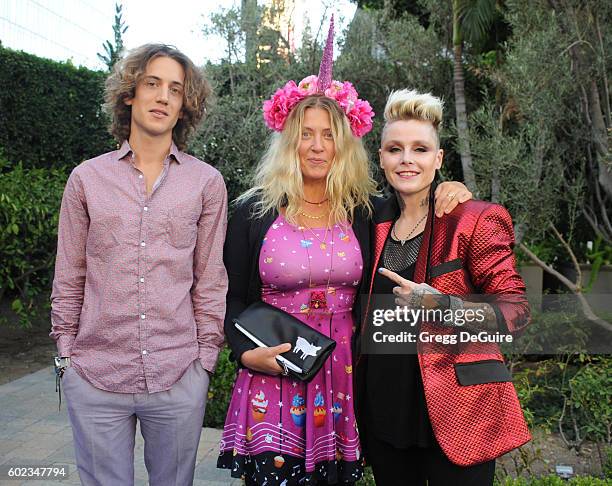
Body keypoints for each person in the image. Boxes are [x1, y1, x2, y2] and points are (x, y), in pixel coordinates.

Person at [216, 19, 472, 486]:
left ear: (345, 143)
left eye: (329, 134)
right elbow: (228, 297)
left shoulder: (364, 209)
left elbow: (415, 198)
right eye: (306, 133)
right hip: (272, 375)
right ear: (288, 138)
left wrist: (450, 186)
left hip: (343, 378)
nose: (317, 146)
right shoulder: (253, 212)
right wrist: (242, 353)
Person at [50, 44, 228, 486]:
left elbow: (210, 279)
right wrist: (67, 354)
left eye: (175, 89)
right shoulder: (86, 179)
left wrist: (204, 362)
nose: (163, 97)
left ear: (185, 104)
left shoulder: (206, 183)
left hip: (177, 373)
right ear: (130, 93)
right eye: (152, 84)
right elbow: (69, 275)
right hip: (94, 374)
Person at [354, 89, 531, 486]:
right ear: (381, 157)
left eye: (420, 149)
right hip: (385, 410)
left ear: (438, 159)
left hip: (460, 412)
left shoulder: (473, 219)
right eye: (395, 149)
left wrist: (440, 305)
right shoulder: (371, 218)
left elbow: (516, 312)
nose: (406, 160)